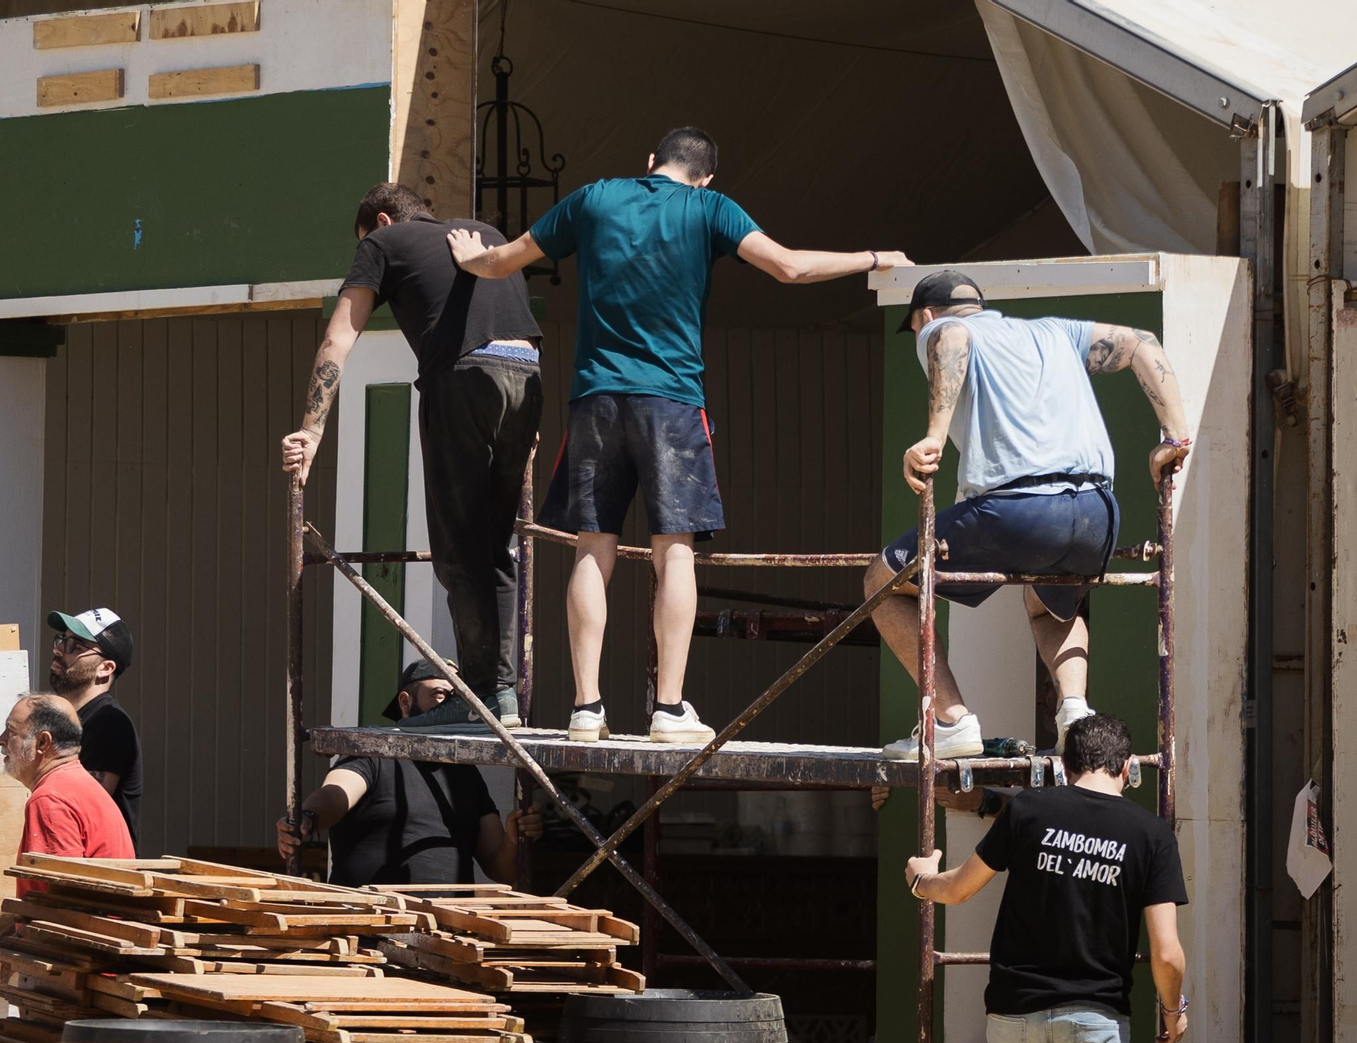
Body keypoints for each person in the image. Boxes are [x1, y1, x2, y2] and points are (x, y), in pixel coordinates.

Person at [447, 126, 911, 744]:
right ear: (707, 176)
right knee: (675, 551)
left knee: (593, 548)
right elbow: (790, 268)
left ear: (649, 162)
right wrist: (876, 258)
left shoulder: (593, 198)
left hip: (596, 400)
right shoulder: (709, 208)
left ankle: (586, 709)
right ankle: (668, 710)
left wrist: (466, 255)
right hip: (671, 403)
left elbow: (501, 262)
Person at [867, 270, 1191, 760]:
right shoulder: (1055, 332)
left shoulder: (942, 328)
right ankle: (1076, 716)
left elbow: (951, 336)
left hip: (1018, 507)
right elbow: (1141, 342)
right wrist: (1174, 437)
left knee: (882, 582)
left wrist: (933, 435)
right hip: (1096, 513)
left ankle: (950, 721)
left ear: (924, 316)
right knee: (1052, 605)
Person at [281, 182, 543, 731]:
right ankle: (502, 695)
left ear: (381, 219)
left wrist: (312, 429)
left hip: (464, 378)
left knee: (455, 549)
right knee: (495, 546)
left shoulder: (383, 241)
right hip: (527, 375)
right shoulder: (484, 234)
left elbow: (338, 339)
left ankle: (481, 695)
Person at [904, 714, 1189, 1043]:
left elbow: (957, 890)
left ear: (1066, 765)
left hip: (1015, 1016)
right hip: (1096, 1023)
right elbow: (1167, 953)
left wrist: (921, 879)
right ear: (1127, 767)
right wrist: (1173, 1011)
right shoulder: (1152, 835)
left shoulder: (1027, 809)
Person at [275, 659, 544, 886]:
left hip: (447, 934)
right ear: (405, 702)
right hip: (369, 930)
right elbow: (336, 793)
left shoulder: (466, 773)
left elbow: (502, 869)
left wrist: (514, 841)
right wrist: (307, 816)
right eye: (440, 695)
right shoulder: (375, 752)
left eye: (458, 700)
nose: (451, 707)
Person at [0, 692, 136, 898]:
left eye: (11, 731)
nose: (1, 740)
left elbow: (59, 900)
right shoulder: (79, 784)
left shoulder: (50, 798)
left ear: (43, 743)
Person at [47, 608, 143, 848]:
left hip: (97, 878)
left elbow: (81, 810)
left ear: (106, 668)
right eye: (61, 639)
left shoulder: (108, 723)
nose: (59, 650)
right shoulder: (68, 721)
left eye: (76, 646)